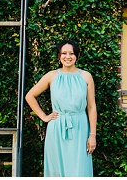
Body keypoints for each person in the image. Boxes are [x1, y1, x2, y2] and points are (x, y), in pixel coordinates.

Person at [25, 39, 97, 176]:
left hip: (80, 128)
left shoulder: (86, 77)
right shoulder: (51, 76)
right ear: (59, 56)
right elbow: (30, 96)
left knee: (80, 169)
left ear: (77, 56)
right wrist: (44, 117)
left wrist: (92, 135)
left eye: (71, 53)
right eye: (64, 53)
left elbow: (92, 107)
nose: (68, 56)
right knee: (56, 168)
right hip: (57, 128)